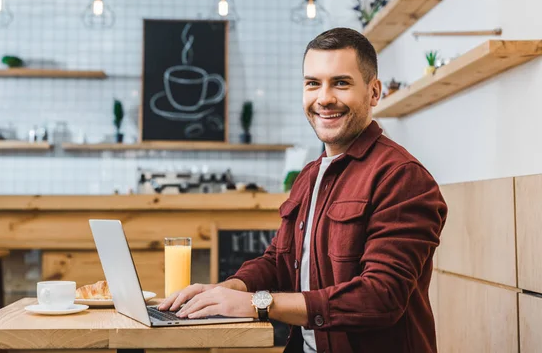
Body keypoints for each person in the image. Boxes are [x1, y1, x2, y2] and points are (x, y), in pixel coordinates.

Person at [159, 28, 448, 353]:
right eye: (313, 83)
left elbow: (380, 297)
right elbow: (279, 260)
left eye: (341, 83)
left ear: (374, 92)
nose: (324, 98)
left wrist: (257, 304)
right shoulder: (310, 176)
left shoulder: (402, 178)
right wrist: (226, 290)